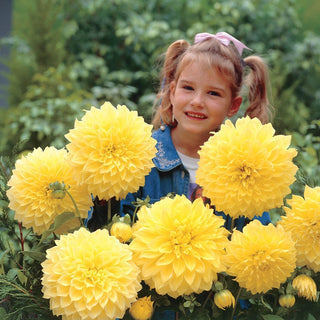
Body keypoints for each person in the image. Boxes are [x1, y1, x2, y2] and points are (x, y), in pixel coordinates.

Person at [88, 31, 273, 319]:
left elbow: (258, 249)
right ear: (171, 92)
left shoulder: (247, 171)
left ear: (232, 106)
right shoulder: (139, 160)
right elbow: (105, 238)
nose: (198, 101)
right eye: (188, 88)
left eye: (213, 93)